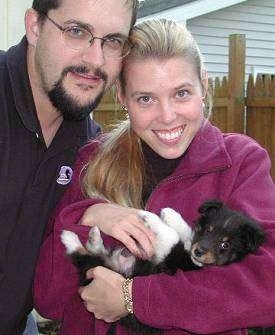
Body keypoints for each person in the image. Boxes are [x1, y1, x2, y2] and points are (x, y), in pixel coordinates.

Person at [34, 18, 275, 335]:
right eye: (145, 98)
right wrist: (87, 214)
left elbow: (267, 286)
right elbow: (48, 300)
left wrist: (133, 298)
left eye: (181, 93)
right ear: (122, 97)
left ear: (204, 85)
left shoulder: (239, 163)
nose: (167, 116)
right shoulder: (91, 162)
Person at [0, 0, 139, 333]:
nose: (95, 60)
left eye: (112, 41)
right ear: (35, 26)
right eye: (77, 31)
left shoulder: (90, 152)